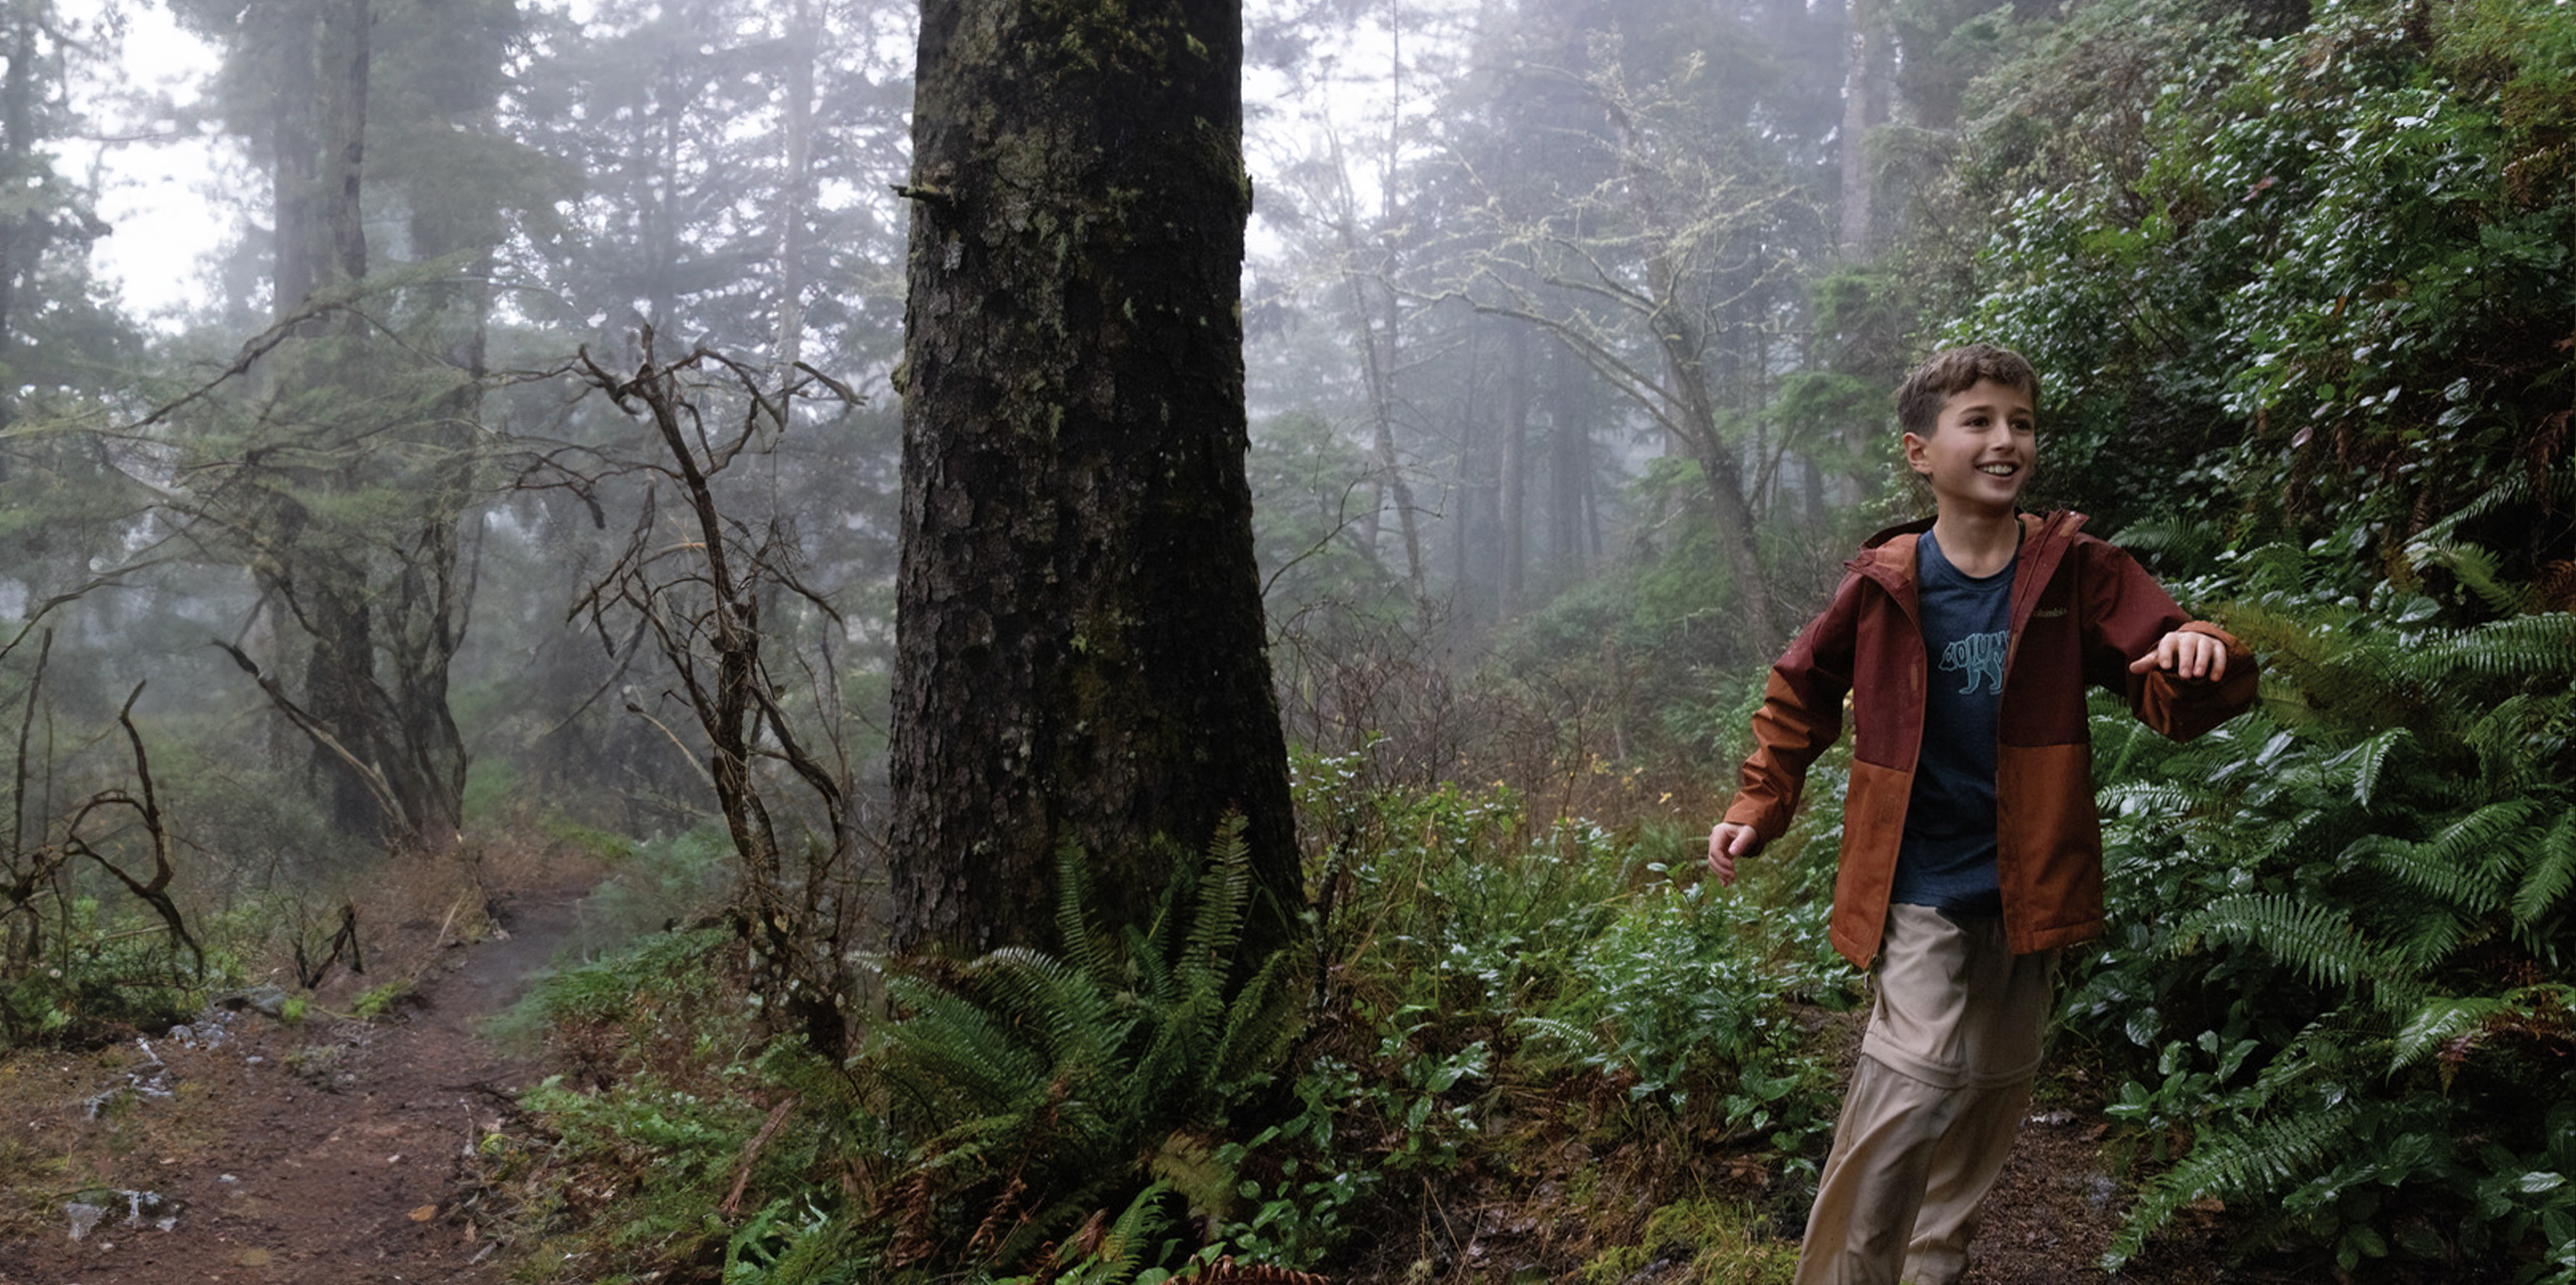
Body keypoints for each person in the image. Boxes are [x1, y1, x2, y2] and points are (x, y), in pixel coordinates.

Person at [1706, 343, 2258, 1285]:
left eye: (2023, 423)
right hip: (1916, 882)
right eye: (1981, 422)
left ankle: (1933, 1266)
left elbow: (2169, 662)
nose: (2007, 440)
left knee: (1993, 1089)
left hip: (2028, 881)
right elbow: (1798, 693)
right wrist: (1761, 800)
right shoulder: (1886, 582)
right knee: (1912, 1081)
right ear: (1921, 452)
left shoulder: (2074, 569)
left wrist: (2200, 652)